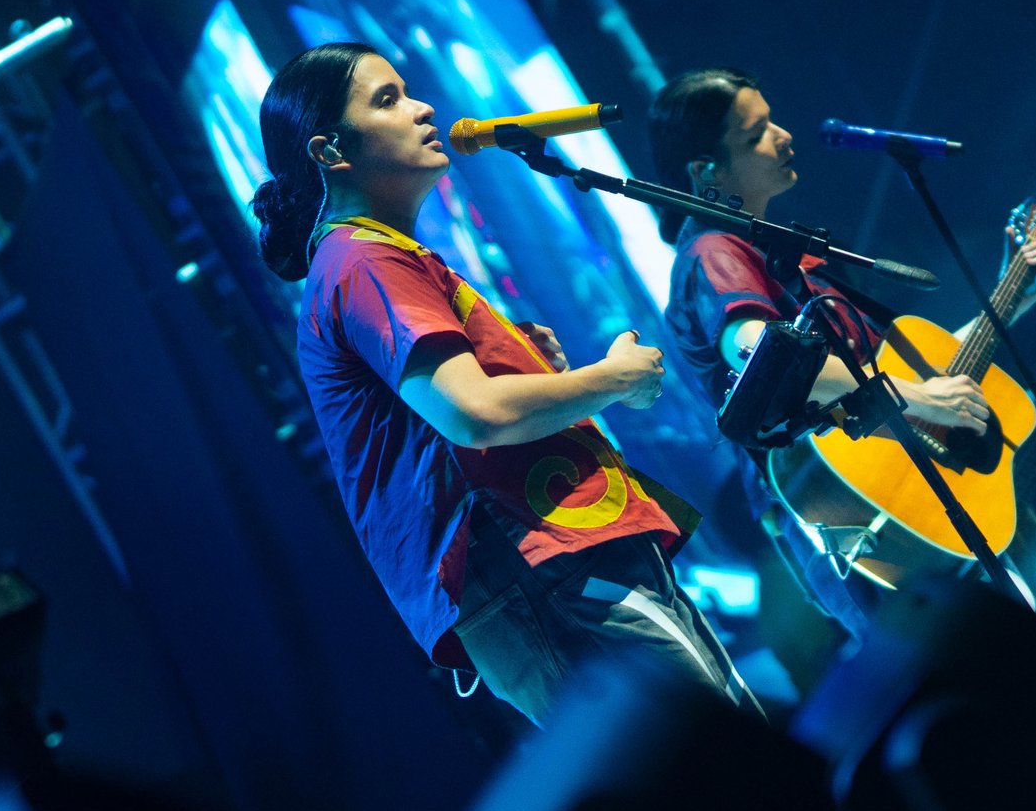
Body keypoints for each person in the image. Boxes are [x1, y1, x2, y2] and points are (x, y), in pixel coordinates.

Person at [250, 43, 755, 725]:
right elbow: (476, 414)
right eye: (388, 99)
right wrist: (608, 380)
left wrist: (519, 360)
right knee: (713, 756)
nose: (423, 107)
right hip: (536, 560)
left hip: (558, 556)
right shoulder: (362, 260)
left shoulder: (379, 256)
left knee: (721, 745)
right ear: (330, 151)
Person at [650, 68, 1036, 651]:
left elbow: (906, 375)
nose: (784, 136)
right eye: (757, 133)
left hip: (898, 490)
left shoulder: (782, 254)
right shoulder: (714, 252)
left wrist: (1012, 297)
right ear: (705, 171)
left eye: (773, 121)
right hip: (845, 509)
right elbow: (763, 354)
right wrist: (915, 397)